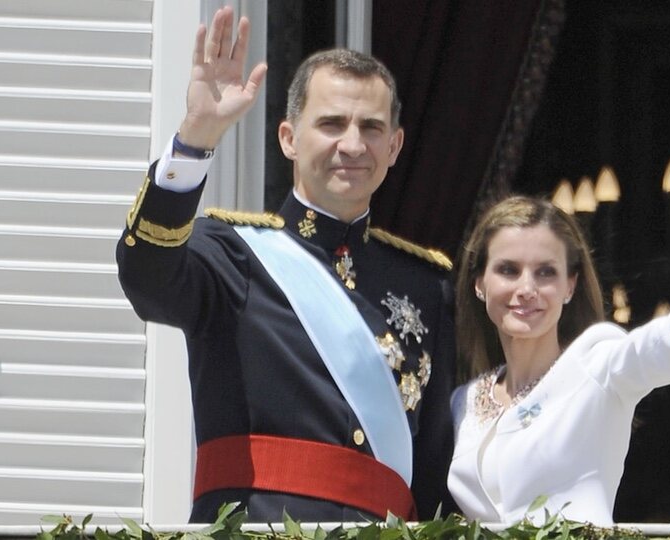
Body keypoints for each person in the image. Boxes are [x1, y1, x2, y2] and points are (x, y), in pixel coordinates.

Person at [116, 7, 455, 522]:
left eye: (371, 127)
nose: (353, 144)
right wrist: (195, 139)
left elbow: (432, 466)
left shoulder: (426, 285)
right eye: (331, 124)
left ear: (394, 147)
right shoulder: (231, 253)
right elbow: (147, 278)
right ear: (289, 139)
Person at [448, 106, 670, 525]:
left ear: (570, 286)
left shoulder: (598, 364)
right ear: (479, 283)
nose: (526, 289)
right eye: (507, 270)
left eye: (545, 272)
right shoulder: (463, 402)